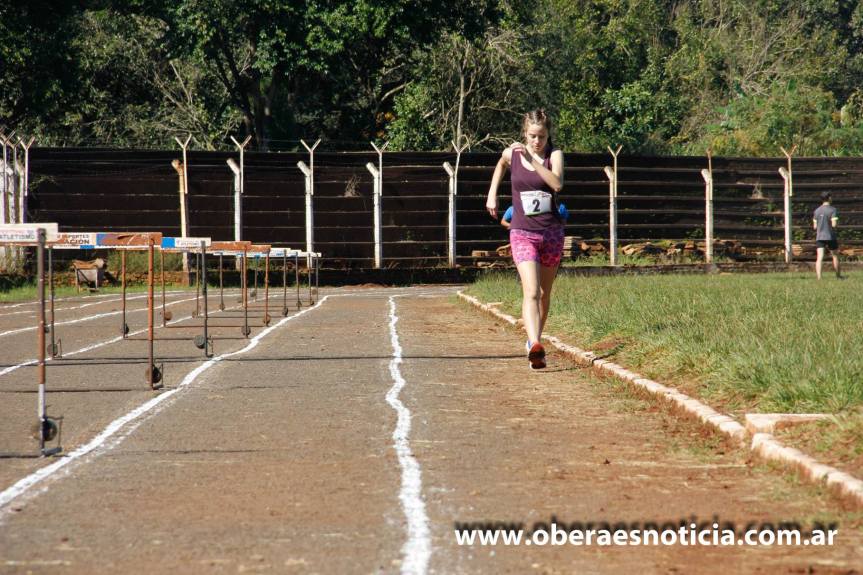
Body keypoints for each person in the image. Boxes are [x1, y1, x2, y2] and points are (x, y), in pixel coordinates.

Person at [486, 109, 565, 369]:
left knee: (544, 294)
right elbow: (500, 163)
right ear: (524, 133)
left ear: (548, 134)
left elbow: (556, 184)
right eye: (532, 136)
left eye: (541, 136)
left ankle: (535, 345)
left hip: (551, 233)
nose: (536, 141)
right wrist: (492, 194)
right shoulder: (513, 154)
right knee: (530, 291)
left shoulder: (554, 156)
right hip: (522, 232)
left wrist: (534, 158)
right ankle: (534, 343)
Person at [812, 191, 842, 280]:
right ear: (829, 198)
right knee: (835, 256)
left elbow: (814, 227)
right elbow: (834, 224)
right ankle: (838, 276)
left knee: (819, 257)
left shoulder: (816, 211)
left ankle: (819, 278)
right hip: (830, 236)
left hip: (820, 237)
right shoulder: (833, 210)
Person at [501, 203, 569, 230]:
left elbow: (563, 223)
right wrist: (512, 226)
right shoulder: (513, 208)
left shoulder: (561, 207)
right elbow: (503, 221)